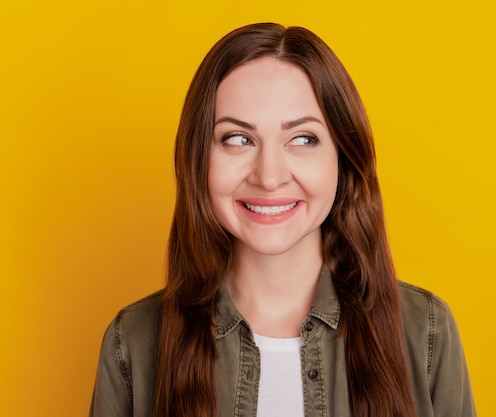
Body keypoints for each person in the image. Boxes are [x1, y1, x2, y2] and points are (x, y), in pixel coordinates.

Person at [89, 22, 476, 417]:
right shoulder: (133, 344)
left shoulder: (427, 333)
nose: (269, 176)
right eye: (238, 138)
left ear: (343, 158)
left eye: (303, 139)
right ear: (198, 160)